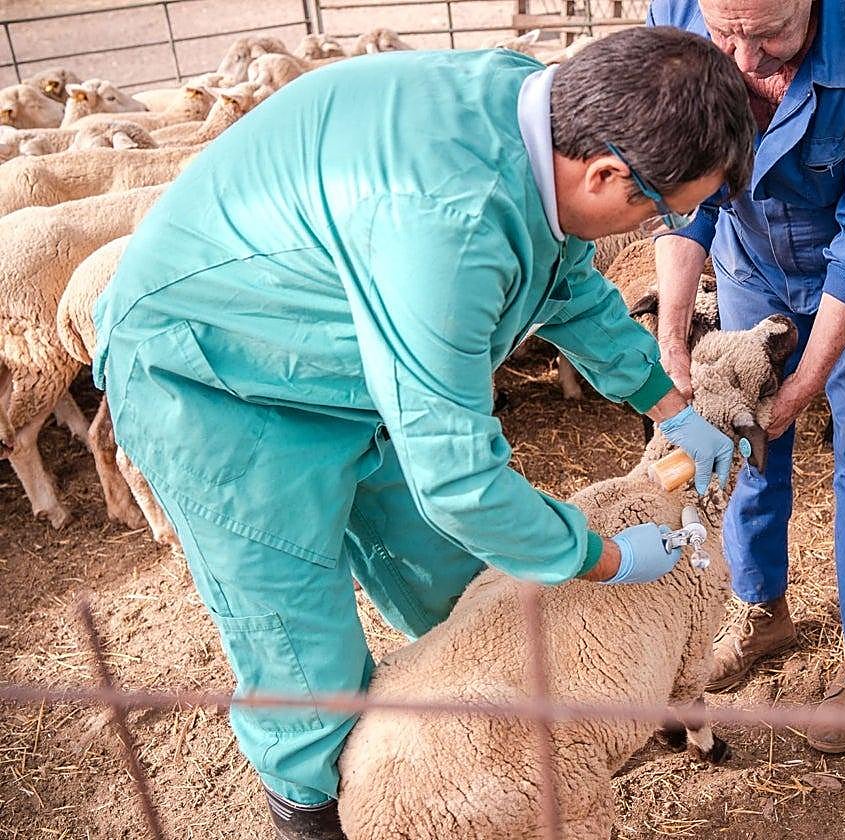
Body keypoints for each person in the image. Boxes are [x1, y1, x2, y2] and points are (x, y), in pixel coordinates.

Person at [93, 28, 754, 840]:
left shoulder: (540, 118)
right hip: (221, 378)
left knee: (461, 588)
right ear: (608, 173)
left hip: (349, 359)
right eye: (663, 211)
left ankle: (478, 778)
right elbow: (460, 480)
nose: (661, 226)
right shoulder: (454, 223)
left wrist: (667, 403)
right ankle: (321, 819)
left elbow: (567, 284)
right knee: (307, 663)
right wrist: (604, 556)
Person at [647, 0, 845, 752]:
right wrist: (674, 328)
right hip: (754, 260)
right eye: (725, 36)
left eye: (769, 36)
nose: (743, 62)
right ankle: (761, 608)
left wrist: (806, 385)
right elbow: (683, 179)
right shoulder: (678, 11)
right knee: (747, 446)